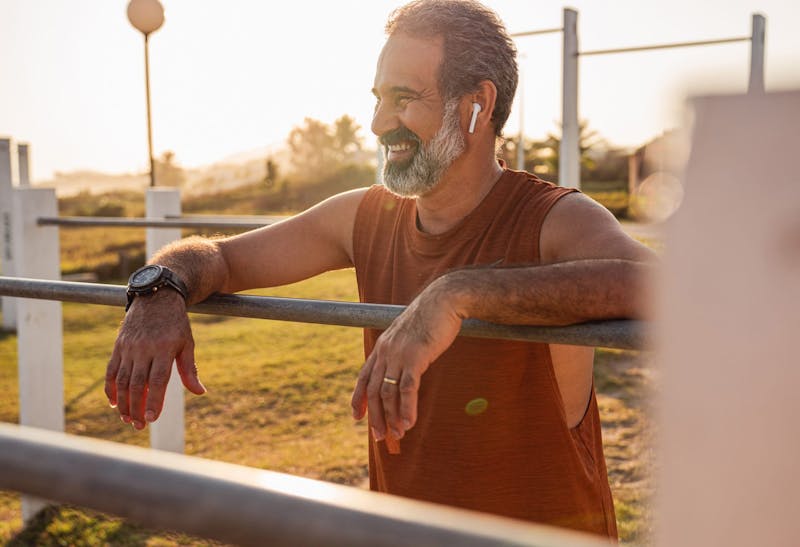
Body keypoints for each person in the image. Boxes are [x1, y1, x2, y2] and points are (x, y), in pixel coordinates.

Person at [106, 0, 654, 538]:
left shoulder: (552, 218)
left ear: (477, 105)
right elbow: (222, 258)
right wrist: (160, 288)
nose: (376, 124)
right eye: (378, 98)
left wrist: (457, 294)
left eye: (403, 98)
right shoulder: (365, 216)